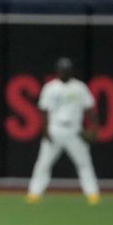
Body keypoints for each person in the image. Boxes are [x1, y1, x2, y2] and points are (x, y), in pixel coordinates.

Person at [26, 57, 101, 205]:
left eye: (66, 69)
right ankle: (34, 194)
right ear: (57, 71)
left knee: (84, 163)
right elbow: (43, 110)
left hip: (74, 130)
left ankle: (93, 194)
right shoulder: (50, 87)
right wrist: (45, 130)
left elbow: (90, 109)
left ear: (71, 71)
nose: (63, 72)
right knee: (43, 163)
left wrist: (94, 128)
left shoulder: (79, 87)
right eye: (61, 69)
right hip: (55, 129)